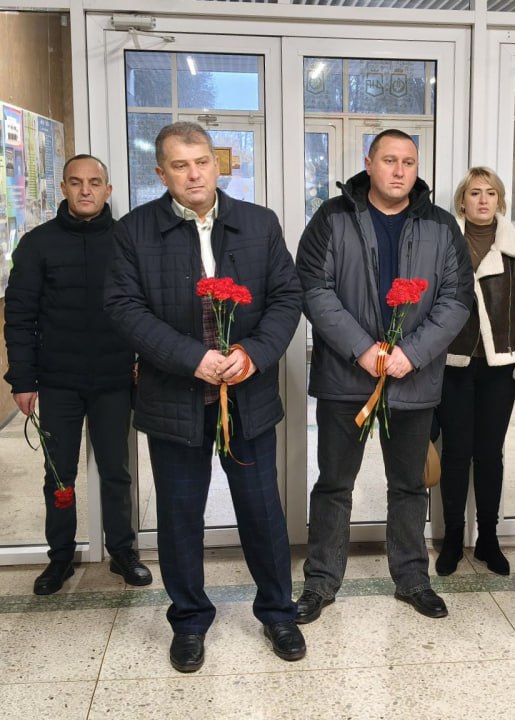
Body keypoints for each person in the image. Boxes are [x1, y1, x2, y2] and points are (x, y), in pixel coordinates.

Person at [105, 122, 304, 672]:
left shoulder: (259, 224)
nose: (194, 174)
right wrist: (191, 358)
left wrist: (254, 353)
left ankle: (278, 612)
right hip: (174, 397)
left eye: (202, 163)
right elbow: (123, 307)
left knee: (262, 511)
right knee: (180, 515)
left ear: (217, 166)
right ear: (161, 172)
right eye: (180, 165)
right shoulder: (134, 231)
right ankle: (189, 620)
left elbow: (287, 296)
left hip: (248, 395)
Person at [296, 129, 472, 623]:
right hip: (345, 378)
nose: (399, 170)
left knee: (410, 485)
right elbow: (312, 287)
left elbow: (457, 298)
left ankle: (413, 579)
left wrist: (410, 354)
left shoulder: (441, 225)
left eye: (408, 162)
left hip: (413, 379)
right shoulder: (332, 217)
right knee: (334, 484)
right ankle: (320, 582)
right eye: (389, 160)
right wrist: (363, 349)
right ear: (369, 163)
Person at [5, 154, 148, 596]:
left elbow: (146, 307)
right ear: (64, 188)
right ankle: (60, 558)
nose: (86, 190)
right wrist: (23, 379)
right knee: (59, 475)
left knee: (116, 471)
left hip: (114, 378)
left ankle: (123, 552)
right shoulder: (37, 244)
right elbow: (19, 316)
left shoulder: (127, 240)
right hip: (58, 381)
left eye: (94, 182)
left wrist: (146, 360)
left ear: (108, 190)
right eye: (76, 182)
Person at [434, 166, 515, 577]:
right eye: (475, 192)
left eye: (490, 193)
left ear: (500, 200)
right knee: (456, 453)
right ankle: (452, 538)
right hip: (453, 364)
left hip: (500, 366)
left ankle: (488, 539)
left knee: (490, 454)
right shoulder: (445, 240)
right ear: (462, 200)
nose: (483, 200)